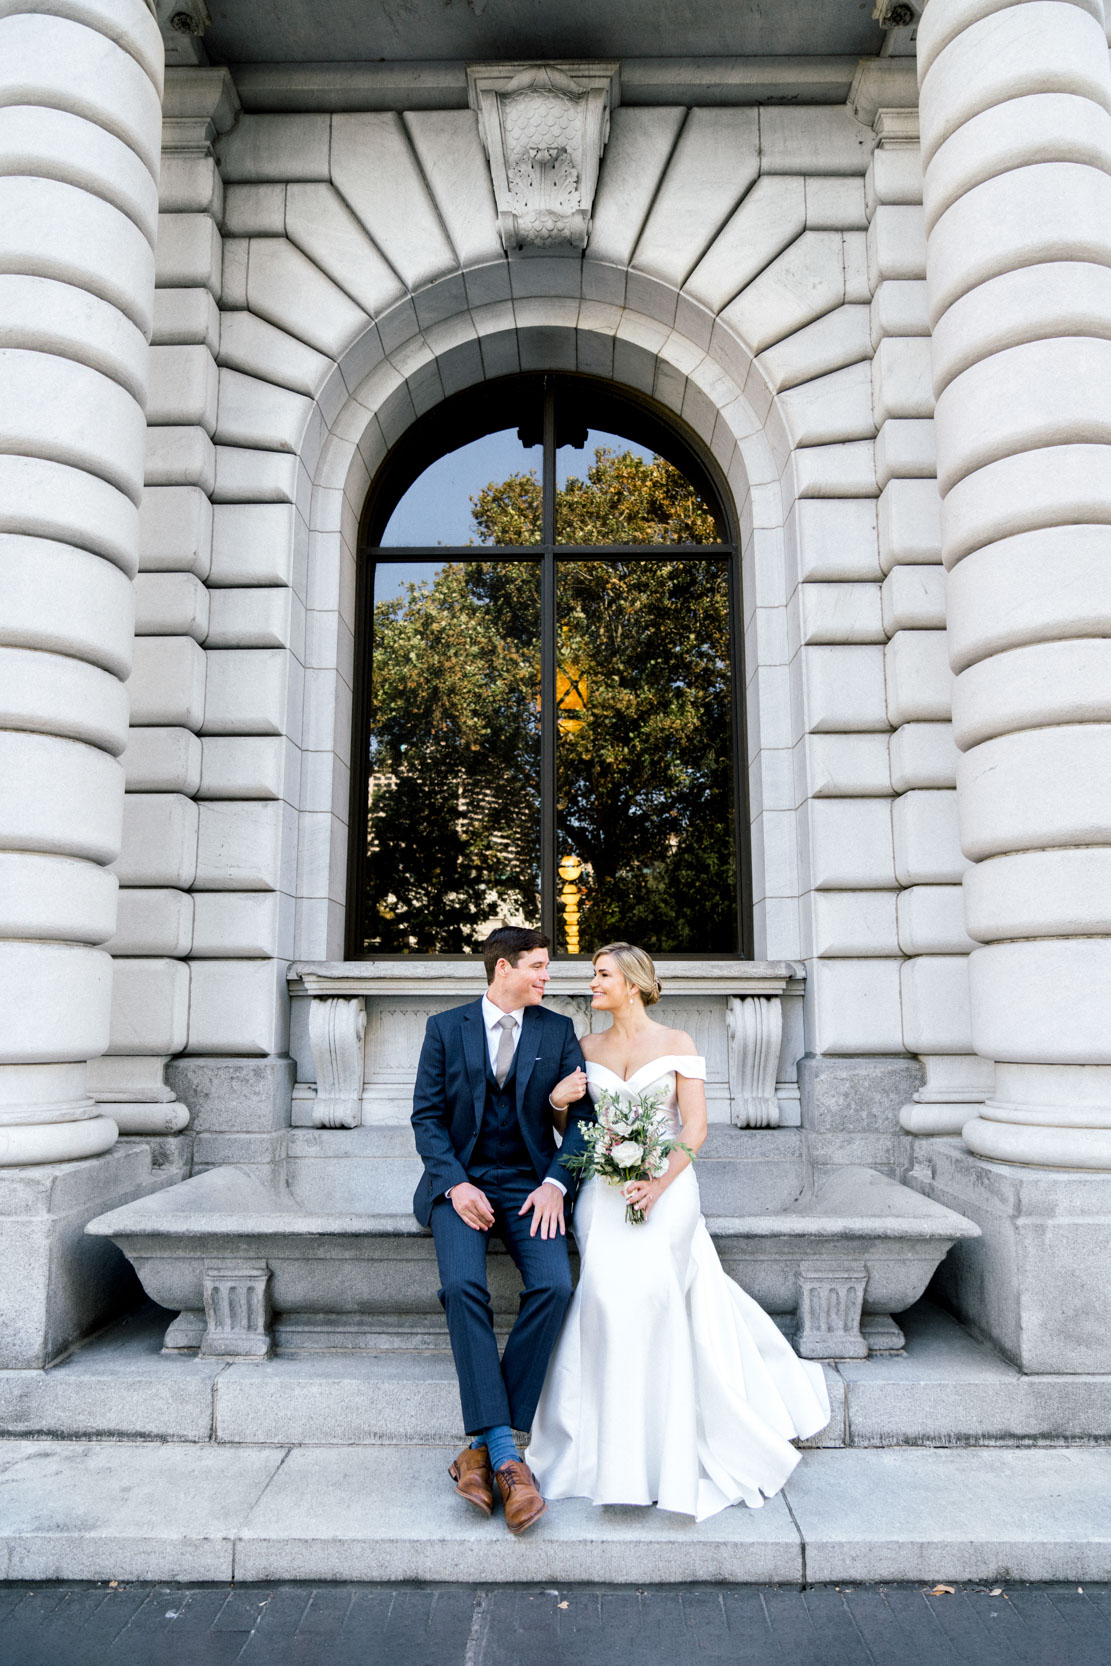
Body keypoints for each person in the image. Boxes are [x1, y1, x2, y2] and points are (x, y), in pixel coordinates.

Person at [528, 941, 831, 1521]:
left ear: (633, 984)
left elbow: (694, 1128)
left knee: (655, 1293)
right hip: (603, 1189)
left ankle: (669, 1449)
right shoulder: (584, 1046)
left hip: (667, 1187)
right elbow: (577, 1128)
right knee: (603, 1294)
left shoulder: (677, 1045)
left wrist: (658, 1184)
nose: (592, 983)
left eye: (602, 975)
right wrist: (558, 1105)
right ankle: (606, 1450)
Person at [410, 925, 594, 1535]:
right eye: (538, 966)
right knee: (464, 1288)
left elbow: (583, 1124)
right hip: (459, 1181)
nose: (547, 977)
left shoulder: (556, 1030)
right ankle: (509, 1457)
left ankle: (481, 1454)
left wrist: (556, 1183)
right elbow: (427, 1118)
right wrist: (456, 1184)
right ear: (503, 969)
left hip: (528, 1183)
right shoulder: (446, 1028)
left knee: (555, 1287)